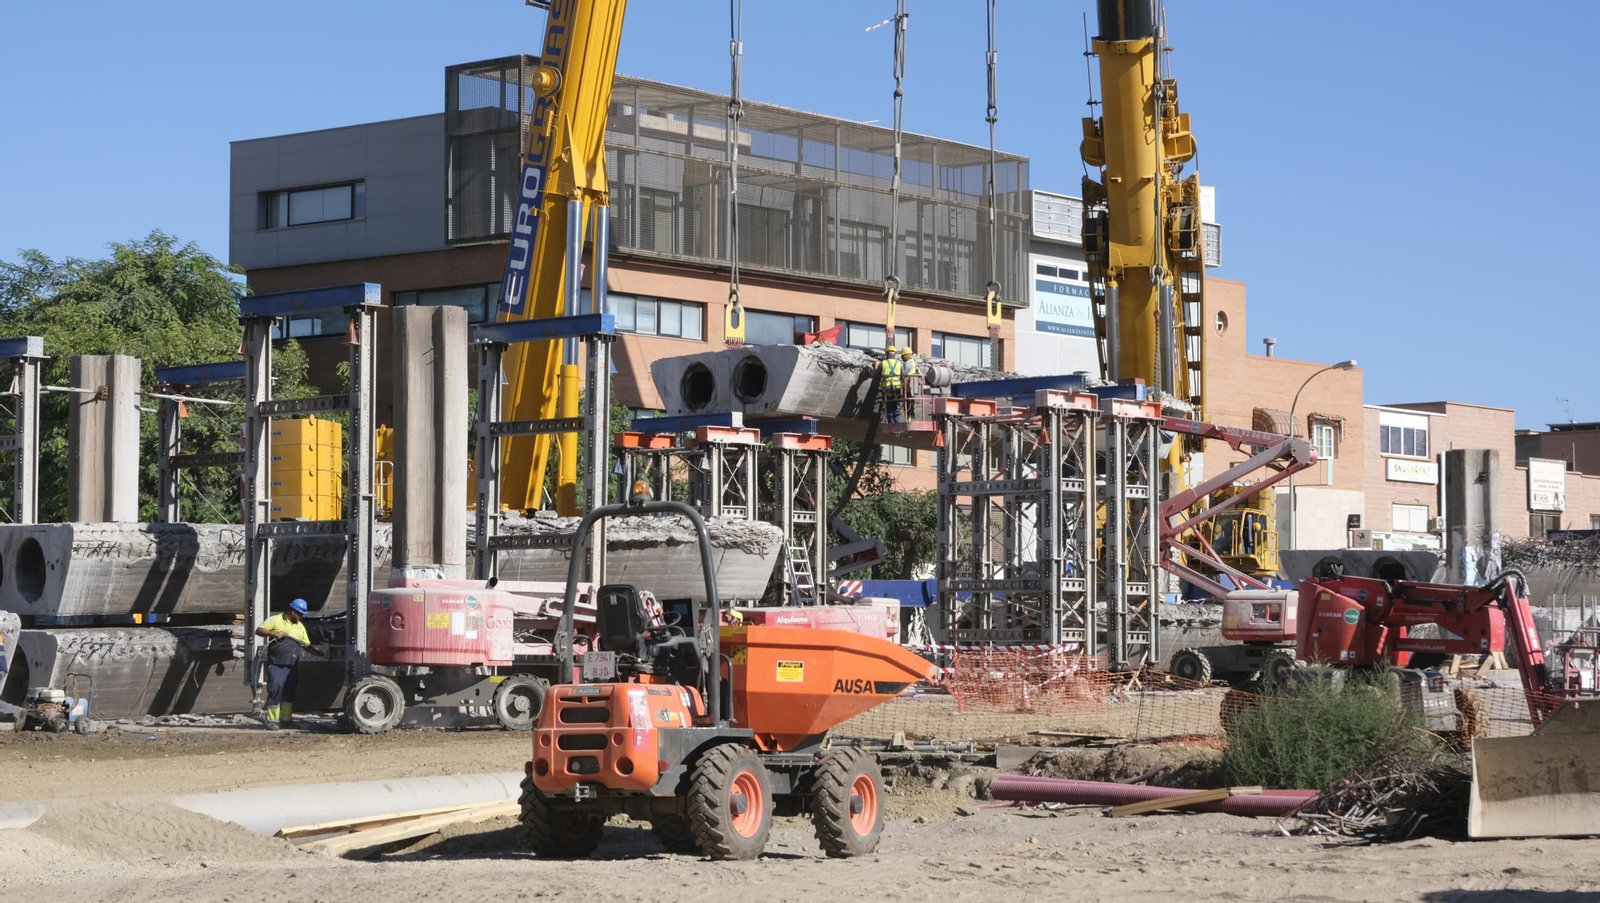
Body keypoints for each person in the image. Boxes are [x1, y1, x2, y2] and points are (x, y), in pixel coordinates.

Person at [256, 598, 312, 730]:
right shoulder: (275, 620)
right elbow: (259, 630)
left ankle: (286, 720)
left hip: (292, 665)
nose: (302, 616)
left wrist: (317, 652)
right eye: (300, 613)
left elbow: (307, 644)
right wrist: (274, 633)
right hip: (277, 664)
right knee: (275, 690)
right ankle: (272, 721)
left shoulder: (300, 627)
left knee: (289, 692)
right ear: (292, 611)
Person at [879, 346, 903, 423]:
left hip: (887, 387)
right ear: (895, 354)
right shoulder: (899, 363)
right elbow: (903, 376)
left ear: (887, 354)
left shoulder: (883, 363)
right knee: (895, 404)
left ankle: (891, 422)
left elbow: (875, 373)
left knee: (889, 405)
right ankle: (897, 422)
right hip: (897, 388)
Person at [899, 346, 920, 421]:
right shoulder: (913, 362)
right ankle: (911, 418)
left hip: (908, 384)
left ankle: (909, 418)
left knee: (907, 402)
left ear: (906, 355)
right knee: (911, 402)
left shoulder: (907, 363)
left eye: (903, 356)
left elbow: (904, 374)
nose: (902, 357)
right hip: (914, 384)